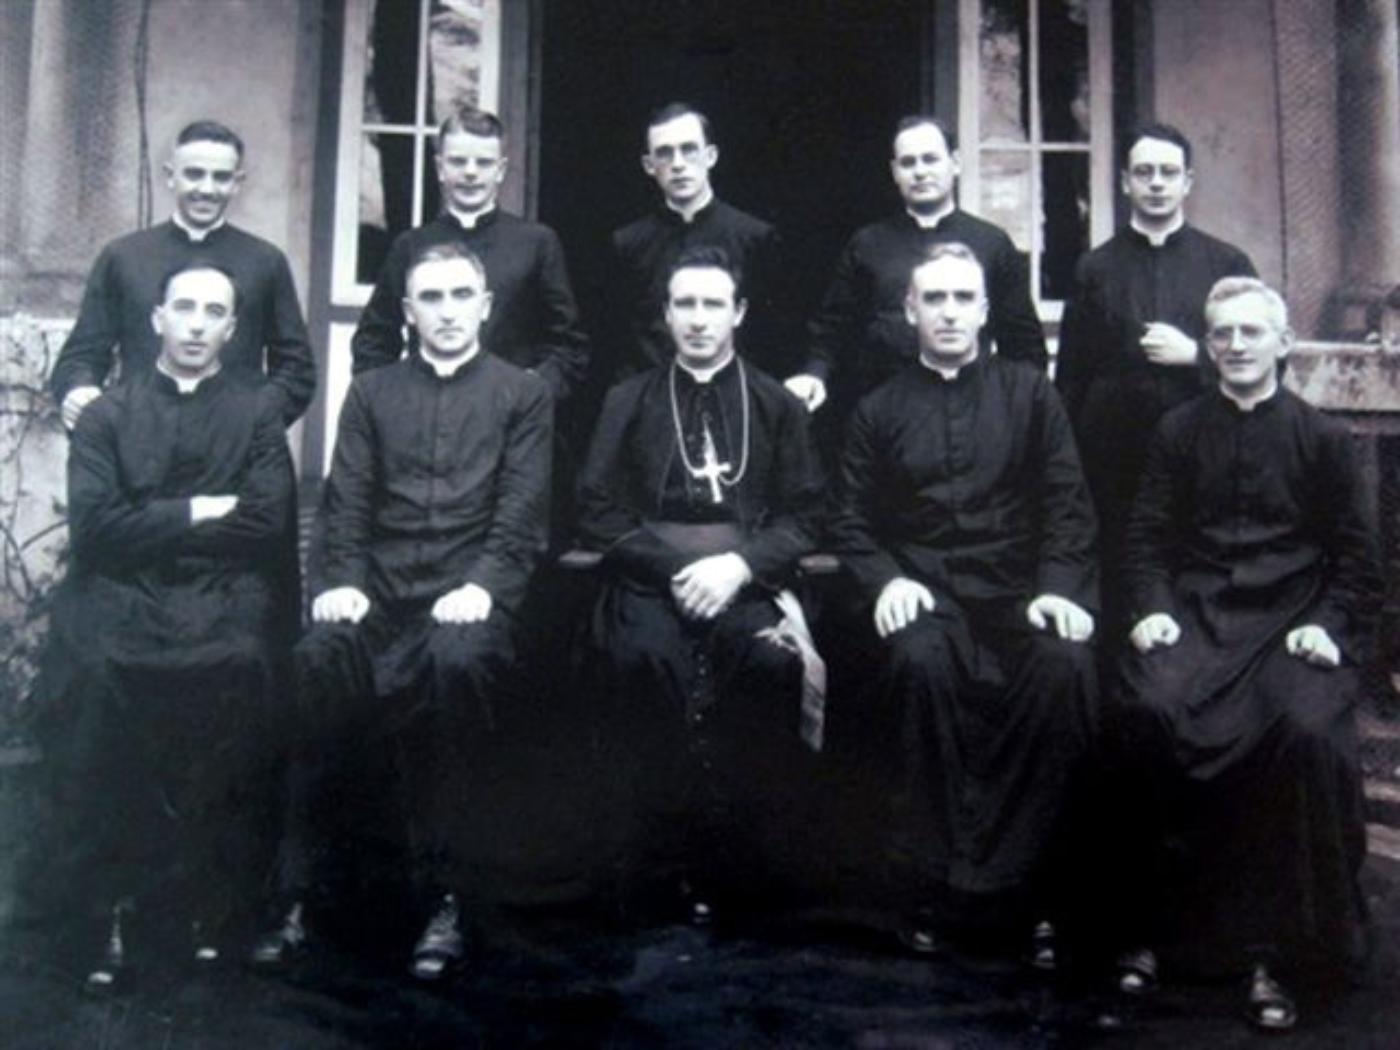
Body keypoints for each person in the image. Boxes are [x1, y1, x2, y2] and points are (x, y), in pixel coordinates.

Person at [253, 243, 552, 980]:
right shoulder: (373, 392)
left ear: (486, 305)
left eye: (460, 296)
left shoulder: (522, 394)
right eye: (430, 298)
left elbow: (521, 514)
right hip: (381, 595)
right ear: (407, 311)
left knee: (460, 665)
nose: (446, 312)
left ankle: (447, 899)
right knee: (318, 660)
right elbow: (346, 501)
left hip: (467, 597)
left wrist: (482, 584)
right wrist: (341, 580)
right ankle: (301, 897)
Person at [1111, 277, 1381, 1032]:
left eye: (1249, 333)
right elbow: (1144, 542)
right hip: (1195, 619)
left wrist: (1328, 624)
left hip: (1288, 624)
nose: (1234, 346)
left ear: (1282, 344)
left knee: (1298, 730)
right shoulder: (1177, 430)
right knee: (1148, 712)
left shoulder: (1322, 439)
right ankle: (1155, 936)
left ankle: (1279, 952)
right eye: (1221, 333)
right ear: (1207, 344)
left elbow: (1359, 560)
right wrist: (1154, 612)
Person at [828, 242, 1096, 957]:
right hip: (927, 592)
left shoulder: (1032, 395)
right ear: (909, 310)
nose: (949, 313)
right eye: (934, 299)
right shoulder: (877, 409)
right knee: (918, 666)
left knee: (1064, 671)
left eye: (963, 299)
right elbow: (849, 520)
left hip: (1015, 597)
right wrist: (886, 579)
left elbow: (1068, 506)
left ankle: (1036, 896)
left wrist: (1057, 591)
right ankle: (931, 891)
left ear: (985, 309)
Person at [35, 263, 296, 990]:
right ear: (156, 318)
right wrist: (198, 512)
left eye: (214, 311)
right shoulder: (106, 416)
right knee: (98, 674)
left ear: (231, 329)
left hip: (222, 592)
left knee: (243, 666)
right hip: (119, 592)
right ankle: (107, 907)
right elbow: (95, 530)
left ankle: (211, 906)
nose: (196, 323)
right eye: (183, 307)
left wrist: (150, 523)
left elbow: (265, 523)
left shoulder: (256, 414)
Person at [577, 246, 824, 923]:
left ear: (739, 312)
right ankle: (652, 875)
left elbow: (806, 515)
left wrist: (739, 567)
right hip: (649, 578)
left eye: (713, 304)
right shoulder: (628, 398)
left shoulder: (776, 403)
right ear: (664, 313)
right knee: (640, 661)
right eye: (684, 304)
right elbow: (595, 505)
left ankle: (741, 875)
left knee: (770, 665)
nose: (698, 319)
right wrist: (673, 570)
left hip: (746, 581)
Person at [1055, 122, 1256, 637]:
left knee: (1196, 571)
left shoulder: (1226, 263)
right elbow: (1071, 377)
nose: (1157, 183)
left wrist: (1197, 355)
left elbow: (1262, 365)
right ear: (1125, 182)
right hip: (1114, 457)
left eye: (1169, 172)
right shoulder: (1095, 267)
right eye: (1144, 172)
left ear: (1188, 182)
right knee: (1120, 573)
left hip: (1204, 453)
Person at [51, 120, 316, 430]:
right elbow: (81, 356)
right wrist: (79, 390)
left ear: (237, 182)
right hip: (141, 443)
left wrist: (255, 419)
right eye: (194, 174)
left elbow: (296, 369)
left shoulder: (265, 262)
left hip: (233, 450)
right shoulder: (123, 257)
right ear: (170, 176)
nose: (206, 189)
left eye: (220, 177)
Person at [793, 115, 1047, 422]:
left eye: (930, 159)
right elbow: (832, 328)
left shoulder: (992, 243)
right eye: (909, 162)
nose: (920, 172)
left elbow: (1023, 343)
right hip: (886, 412)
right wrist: (814, 374)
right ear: (895, 172)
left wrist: (1019, 406)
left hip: (973, 411)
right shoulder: (867, 243)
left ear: (955, 163)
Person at [351, 107, 588, 404]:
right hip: (424, 417)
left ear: (500, 170)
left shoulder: (537, 243)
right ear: (439, 167)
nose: (471, 172)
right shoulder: (410, 246)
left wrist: (530, 391)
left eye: (484, 162)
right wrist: (393, 401)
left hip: (508, 418)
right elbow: (373, 340)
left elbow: (569, 348)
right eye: (458, 161)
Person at [608, 103, 789, 380]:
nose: (678, 164)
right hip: (653, 400)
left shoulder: (754, 237)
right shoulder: (628, 243)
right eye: (665, 153)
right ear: (649, 165)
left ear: (711, 156)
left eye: (689, 150)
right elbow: (620, 339)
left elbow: (769, 336)